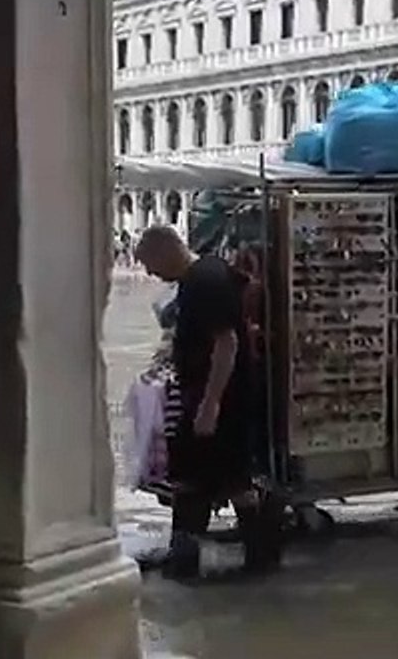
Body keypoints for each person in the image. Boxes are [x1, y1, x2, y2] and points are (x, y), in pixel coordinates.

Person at [134, 225, 281, 580]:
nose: (151, 274)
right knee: (209, 476)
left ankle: (239, 558)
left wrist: (210, 404)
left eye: (150, 264)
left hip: (219, 397)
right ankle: (237, 557)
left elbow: (227, 343)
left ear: (164, 251)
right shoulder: (202, 276)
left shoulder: (206, 281)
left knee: (217, 477)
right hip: (212, 393)